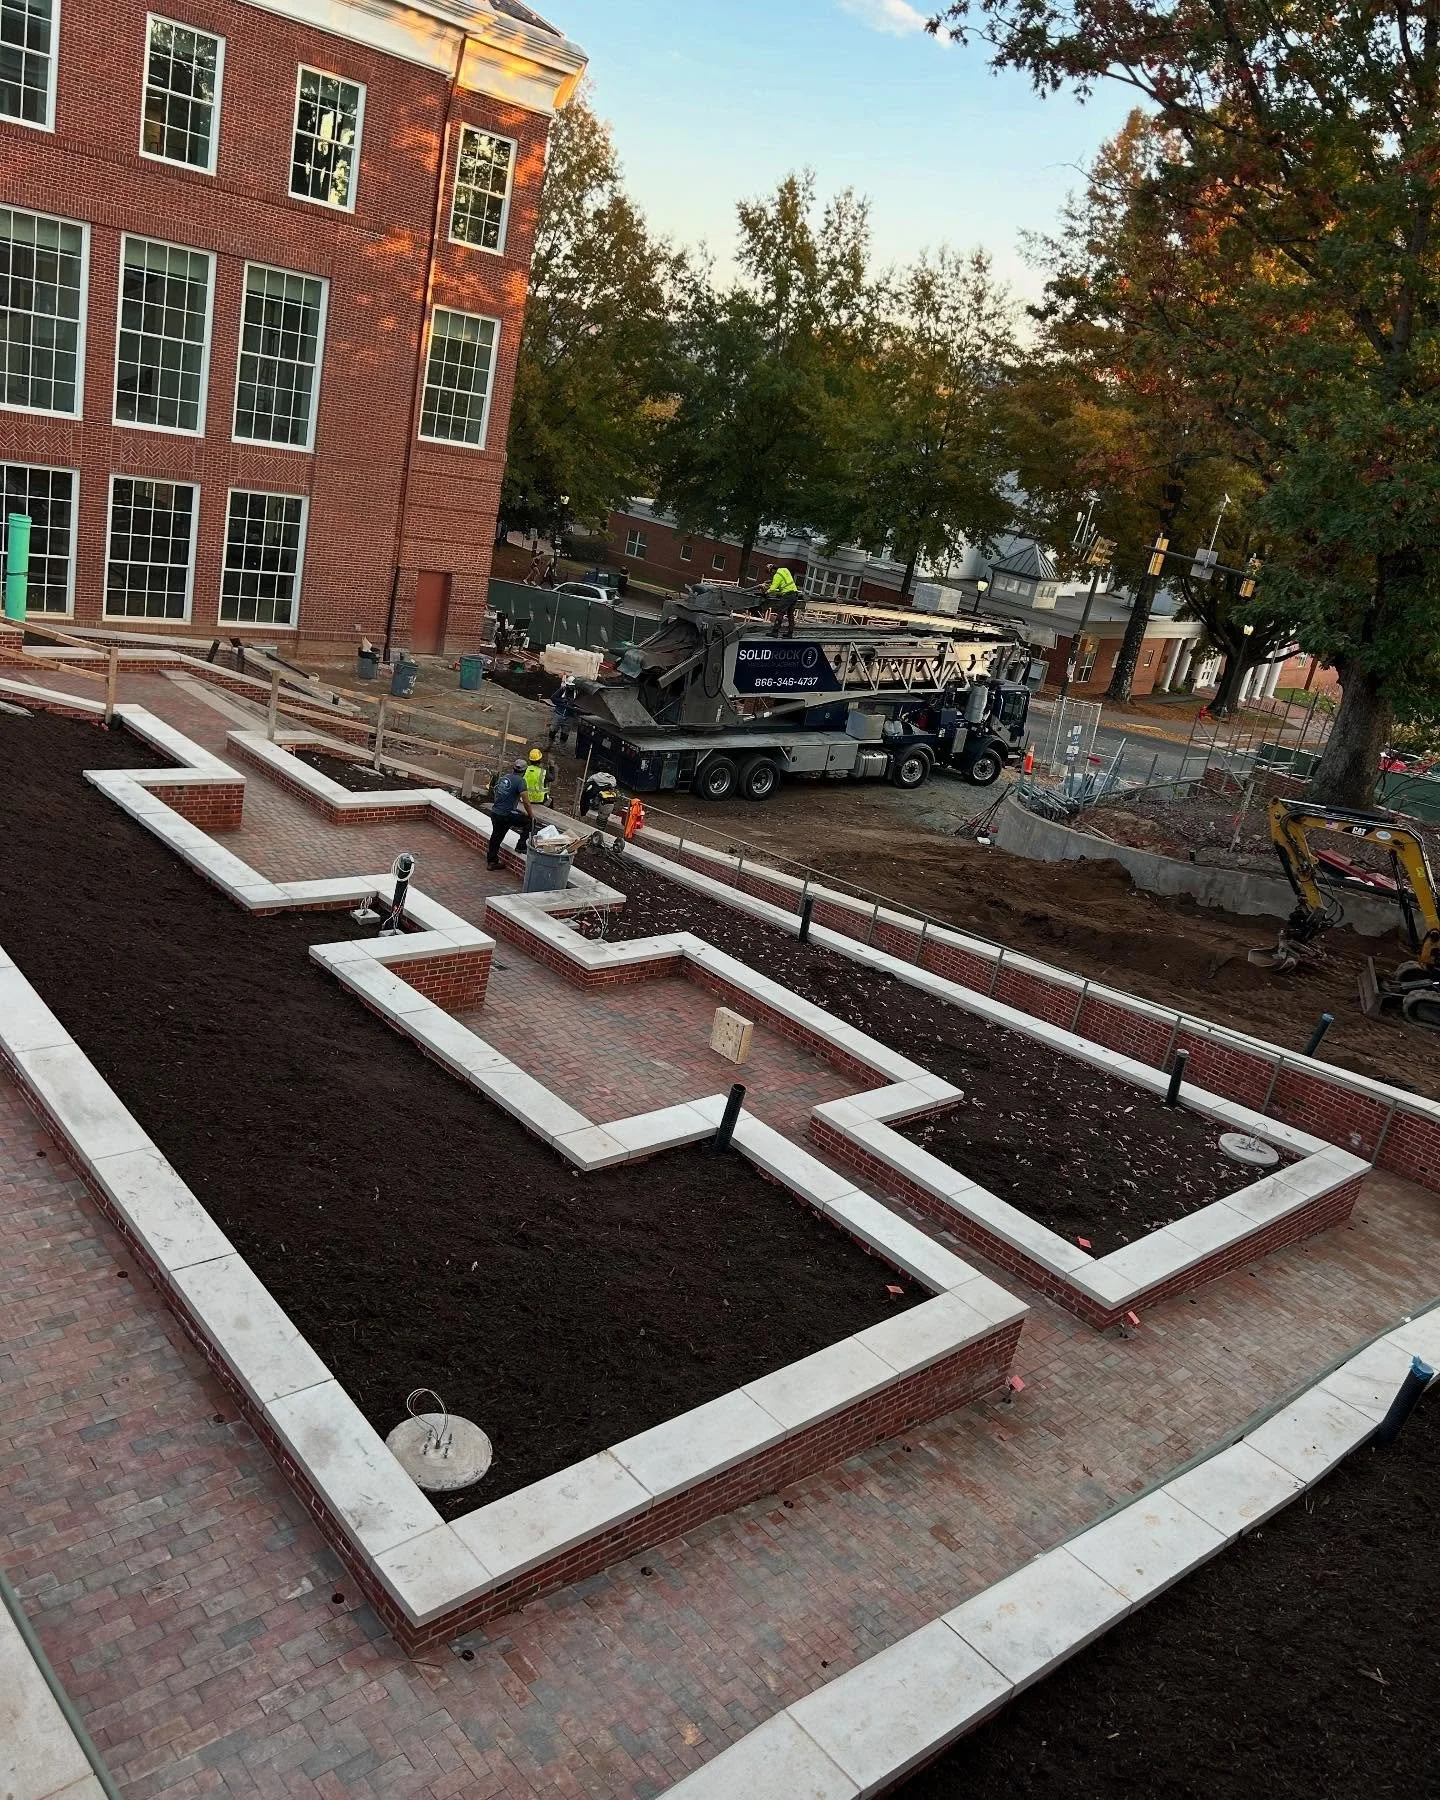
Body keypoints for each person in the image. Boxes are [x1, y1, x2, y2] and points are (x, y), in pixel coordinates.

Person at [486, 758, 533, 869]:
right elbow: (526, 802)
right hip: (507, 814)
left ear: (513, 768)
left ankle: (492, 861)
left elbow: (496, 792)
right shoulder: (521, 781)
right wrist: (531, 815)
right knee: (529, 822)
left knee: (496, 836)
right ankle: (521, 847)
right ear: (524, 771)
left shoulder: (504, 778)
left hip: (496, 812)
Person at [766, 564, 800, 637]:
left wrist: (766, 592)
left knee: (780, 612)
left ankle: (775, 632)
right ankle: (790, 633)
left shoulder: (776, 576)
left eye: (770, 573)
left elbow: (772, 588)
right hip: (795, 594)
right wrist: (771, 581)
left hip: (787, 595)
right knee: (790, 614)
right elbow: (784, 580)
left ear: (772, 570)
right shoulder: (785, 569)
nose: (771, 574)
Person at [547, 675, 578, 748]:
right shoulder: (563, 690)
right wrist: (562, 701)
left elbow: (581, 705)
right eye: (568, 685)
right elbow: (553, 698)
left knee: (565, 734)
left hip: (570, 717)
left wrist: (574, 708)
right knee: (553, 730)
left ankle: (561, 747)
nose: (569, 687)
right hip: (559, 714)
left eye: (571, 686)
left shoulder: (577, 694)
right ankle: (549, 744)